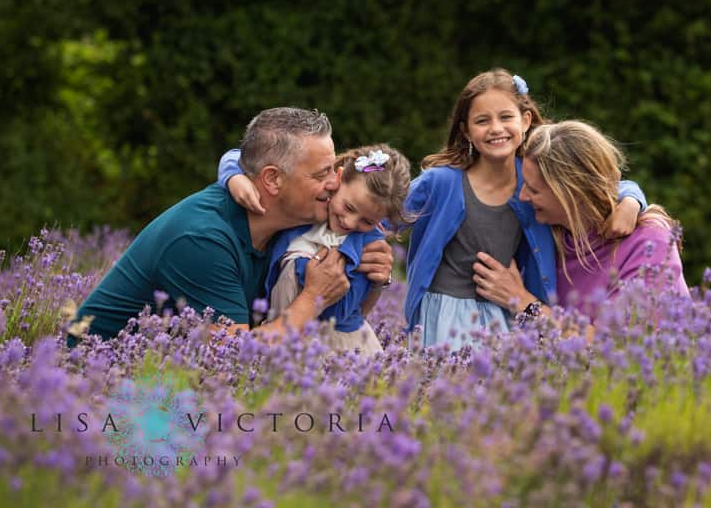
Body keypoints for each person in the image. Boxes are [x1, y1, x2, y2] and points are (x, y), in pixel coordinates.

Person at [68, 108, 393, 344]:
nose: (336, 183)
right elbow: (236, 357)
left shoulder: (290, 228)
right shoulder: (201, 240)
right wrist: (313, 297)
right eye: (321, 174)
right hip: (95, 387)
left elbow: (344, 322)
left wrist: (373, 281)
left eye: (335, 170)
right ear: (272, 180)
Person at [404, 70, 647, 350]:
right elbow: (385, 211)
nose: (496, 128)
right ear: (466, 131)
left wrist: (631, 199)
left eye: (506, 117)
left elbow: (590, 182)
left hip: (505, 314)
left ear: (526, 120)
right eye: (482, 121)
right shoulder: (442, 181)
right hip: (443, 314)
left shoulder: (534, 176)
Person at [471, 120, 689, 323]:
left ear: (570, 193)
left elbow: (614, 346)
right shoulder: (546, 231)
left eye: (534, 190)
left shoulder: (649, 244)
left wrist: (521, 302)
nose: (523, 197)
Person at [219, 144, 413, 356]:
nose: (349, 222)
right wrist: (233, 177)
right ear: (338, 179)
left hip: (332, 347)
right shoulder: (313, 207)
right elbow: (242, 156)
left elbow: (340, 313)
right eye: (348, 207)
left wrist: (308, 270)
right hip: (280, 330)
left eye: (367, 221)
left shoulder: (367, 244)